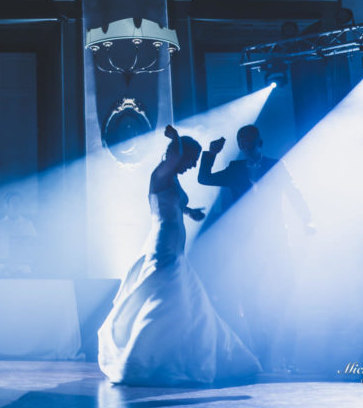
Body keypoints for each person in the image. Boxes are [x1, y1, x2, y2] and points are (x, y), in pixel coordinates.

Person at [98, 125, 261, 385]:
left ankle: (179, 356)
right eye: (191, 161)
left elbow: (174, 201)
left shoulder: (171, 178)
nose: (191, 166)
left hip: (176, 246)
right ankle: (142, 361)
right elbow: (172, 162)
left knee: (189, 304)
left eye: (195, 162)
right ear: (178, 155)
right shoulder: (161, 172)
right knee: (165, 301)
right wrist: (175, 139)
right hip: (163, 246)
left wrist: (190, 211)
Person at [197, 124, 313, 371]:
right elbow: (204, 178)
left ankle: (287, 353)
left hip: (275, 240)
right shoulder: (235, 169)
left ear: (259, 142)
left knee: (286, 295)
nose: (247, 146)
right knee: (248, 298)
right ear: (240, 146)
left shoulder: (275, 165)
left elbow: (293, 193)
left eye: (250, 141)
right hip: (246, 245)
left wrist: (307, 219)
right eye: (242, 143)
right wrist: (211, 153)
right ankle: (261, 349)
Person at [0, 192, 36, 261]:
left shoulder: (28, 224)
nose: (16, 206)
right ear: (6, 205)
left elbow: (34, 246)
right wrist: (4, 259)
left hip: (24, 264)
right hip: (4, 263)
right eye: (13, 203)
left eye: (19, 203)